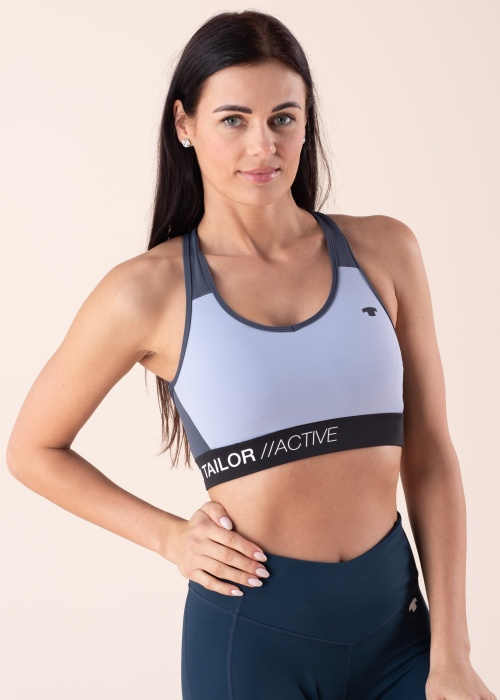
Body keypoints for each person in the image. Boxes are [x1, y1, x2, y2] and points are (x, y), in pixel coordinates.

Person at [6, 9, 495, 700]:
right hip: (253, 641)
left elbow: (433, 455)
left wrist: (453, 652)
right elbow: (32, 449)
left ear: (306, 121)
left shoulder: (386, 251)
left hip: (399, 635)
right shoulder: (147, 291)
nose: (263, 146)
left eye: (282, 118)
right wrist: (169, 537)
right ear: (185, 124)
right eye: (233, 119)